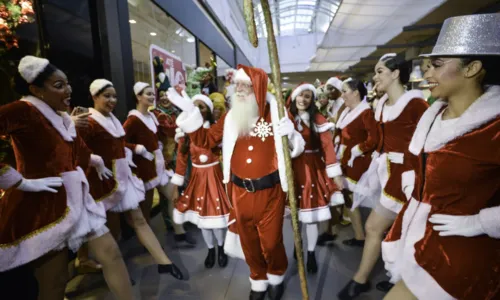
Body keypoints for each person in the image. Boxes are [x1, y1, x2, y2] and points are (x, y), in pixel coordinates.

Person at [382, 14, 500, 300]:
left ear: (472, 68)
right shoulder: (431, 116)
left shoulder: (494, 127)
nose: (426, 74)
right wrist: (412, 185)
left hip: (464, 260)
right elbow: (415, 165)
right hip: (418, 242)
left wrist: (482, 223)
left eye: (436, 65)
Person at [0, 56, 134, 300]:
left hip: (78, 200)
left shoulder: (62, 118)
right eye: (59, 85)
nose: (69, 90)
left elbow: (74, 156)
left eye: (67, 83)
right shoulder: (22, 110)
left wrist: (96, 161)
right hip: (43, 206)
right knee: (55, 282)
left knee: (112, 254)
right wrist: (18, 181)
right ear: (36, 90)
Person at [167, 65, 305, 300]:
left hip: (270, 191)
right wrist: (190, 112)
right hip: (239, 191)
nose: (238, 90)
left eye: (245, 85)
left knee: (271, 243)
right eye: (237, 85)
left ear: (258, 88)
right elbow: (205, 139)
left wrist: (291, 134)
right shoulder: (231, 117)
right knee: (249, 242)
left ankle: (276, 275)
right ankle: (258, 281)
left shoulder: (277, 112)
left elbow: (296, 148)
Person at [339, 55, 428, 299]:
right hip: (387, 174)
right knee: (394, 230)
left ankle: (363, 279)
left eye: (380, 71)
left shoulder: (416, 105)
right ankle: (396, 278)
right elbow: (378, 141)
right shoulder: (381, 105)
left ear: (396, 73)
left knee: (378, 227)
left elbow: (428, 144)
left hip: (409, 178)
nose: (375, 77)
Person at [78, 78, 184, 279]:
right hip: (102, 183)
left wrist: (137, 150)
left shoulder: (114, 120)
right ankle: (107, 267)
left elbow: (120, 144)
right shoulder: (89, 121)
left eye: (114, 96)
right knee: (112, 231)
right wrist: (95, 160)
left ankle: (164, 262)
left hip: (125, 176)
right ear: (94, 97)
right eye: (106, 96)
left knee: (138, 219)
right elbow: (75, 150)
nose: (112, 100)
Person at [288, 83, 344, 273]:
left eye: (307, 96)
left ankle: (311, 253)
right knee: (294, 214)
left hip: (311, 171)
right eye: (300, 95)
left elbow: (328, 148)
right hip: (291, 170)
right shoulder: (286, 118)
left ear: (312, 100)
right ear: (294, 96)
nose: (303, 100)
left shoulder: (318, 120)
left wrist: (335, 175)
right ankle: (298, 244)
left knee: (310, 216)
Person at [171, 94, 230, 269]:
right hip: (197, 178)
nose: (198, 109)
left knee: (217, 216)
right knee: (203, 219)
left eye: (202, 107)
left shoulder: (215, 130)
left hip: (214, 177)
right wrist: (176, 186)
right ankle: (210, 250)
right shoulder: (185, 135)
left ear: (209, 111)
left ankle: (221, 248)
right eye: (194, 106)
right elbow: (181, 161)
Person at [336, 79, 379, 251]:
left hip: (358, 163)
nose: (342, 95)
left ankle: (368, 234)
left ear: (355, 93)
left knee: (354, 197)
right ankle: (359, 235)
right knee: (348, 197)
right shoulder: (346, 111)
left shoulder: (366, 113)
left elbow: (374, 139)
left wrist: (357, 149)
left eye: (345, 91)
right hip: (344, 160)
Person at [151, 87, 196, 245]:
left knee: (183, 186)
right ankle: (170, 222)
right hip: (165, 156)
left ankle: (182, 217)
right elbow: (169, 132)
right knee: (169, 193)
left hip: (181, 152)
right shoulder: (156, 114)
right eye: (161, 96)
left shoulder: (176, 112)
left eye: (166, 96)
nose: (164, 99)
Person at [123, 82, 171, 224]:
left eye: (152, 94)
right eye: (148, 94)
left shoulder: (152, 116)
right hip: (145, 169)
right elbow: (119, 141)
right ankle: (147, 242)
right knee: (146, 207)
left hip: (160, 165)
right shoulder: (132, 120)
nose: (152, 97)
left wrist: (160, 145)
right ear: (138, 97)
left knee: (173, 195)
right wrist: (137, 148)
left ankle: (179, 231)